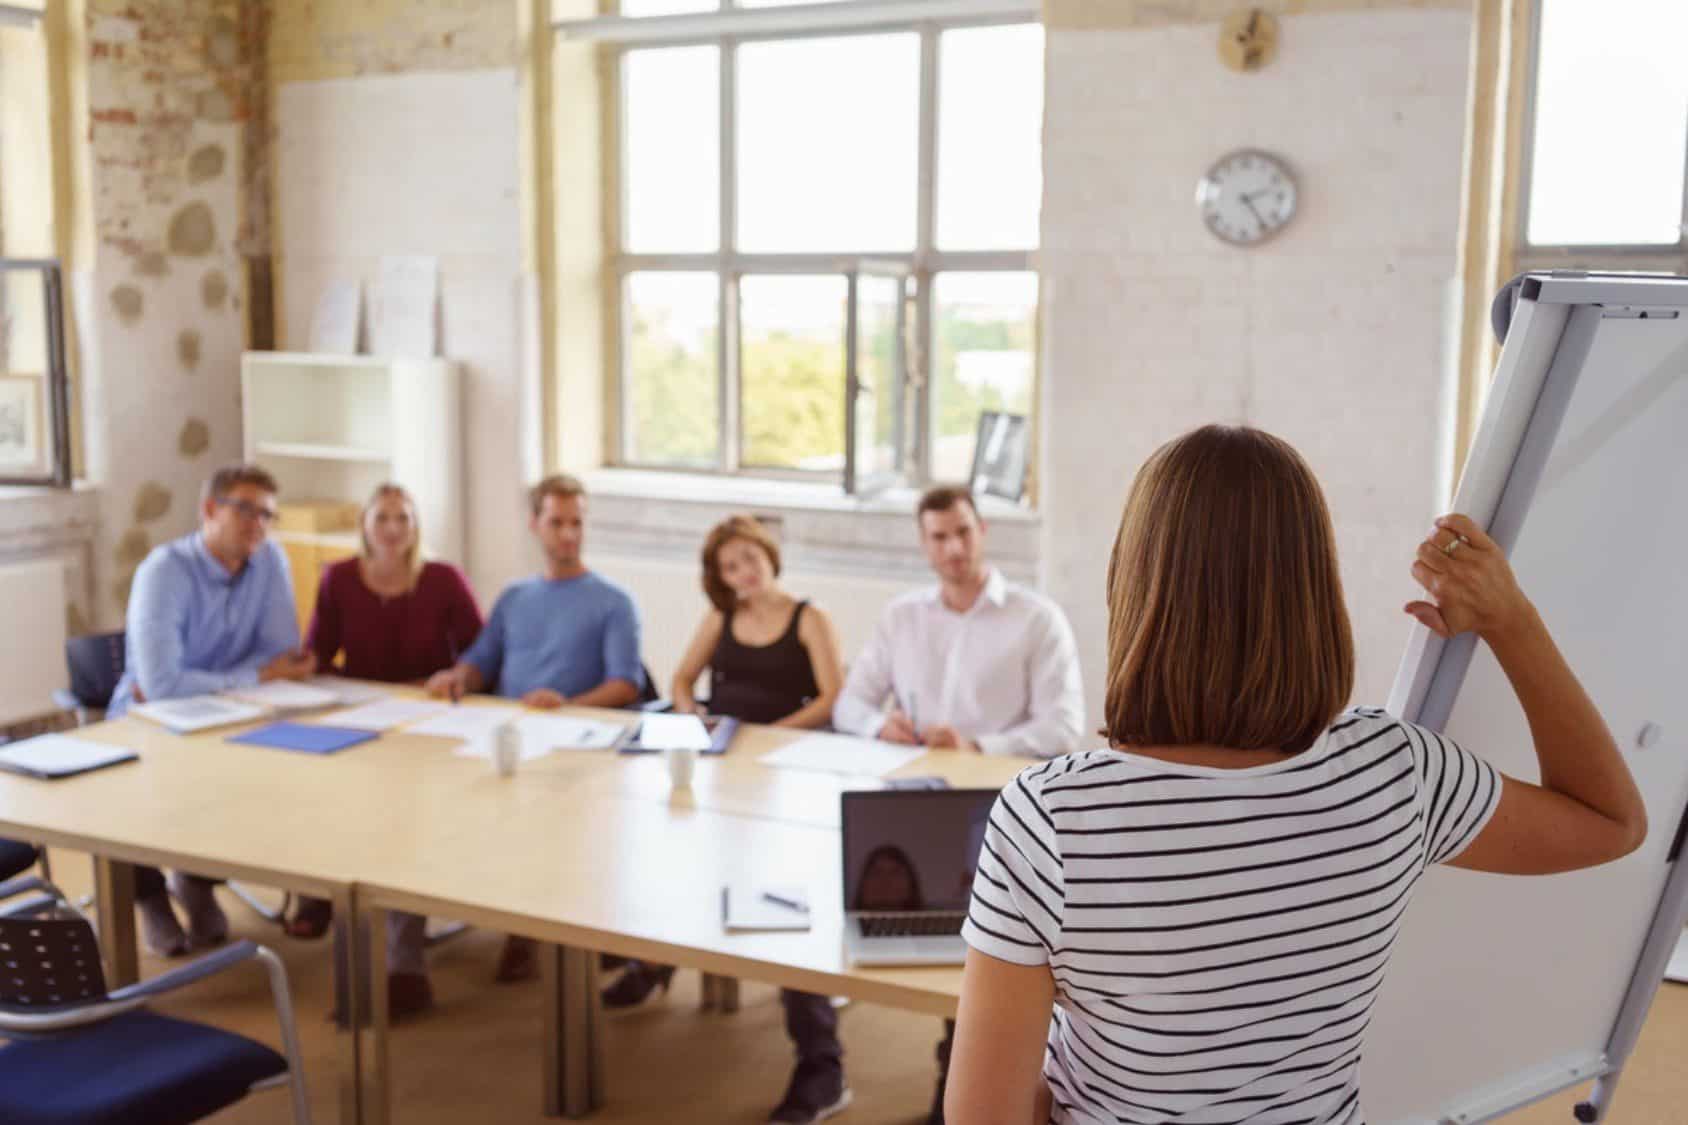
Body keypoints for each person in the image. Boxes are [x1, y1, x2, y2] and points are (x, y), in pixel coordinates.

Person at [946, 425, 1648, 1125]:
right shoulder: (1395, 773)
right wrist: (1511, 620)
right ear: (1313, 586)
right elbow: (1612, 820)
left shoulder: (1050, 818)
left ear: (1132, 582)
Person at [765, 486, 1085, 1125]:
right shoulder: (902, 616)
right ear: (924, 543)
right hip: (897, 805)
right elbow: (852, 703)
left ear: (982, 531)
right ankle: (821, 1066)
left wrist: (975, 742)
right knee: (814, 910)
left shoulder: (1035, 617)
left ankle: (950, 1093)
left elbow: (1065, 727)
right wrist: (879, 726)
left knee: (975, 952)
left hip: (989, 815)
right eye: (939, 537)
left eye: (963, 532)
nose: (954, 549)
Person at [602, 514, 845, 1009]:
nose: (744, 572)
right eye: (731, 567)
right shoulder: (721, 617)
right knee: (669, 843)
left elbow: (831, 699)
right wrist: (691, 714)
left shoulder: (809, 617)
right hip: (719, 754)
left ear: (768, 556)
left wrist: (767, 737)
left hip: (783, 762)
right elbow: (682, 680)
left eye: (750, 559)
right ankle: (654, 958)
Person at [424, 473, 644, 981]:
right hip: (502, 734)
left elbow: (624, 684)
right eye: (557, 522)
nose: (568, 534)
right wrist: (457, 676)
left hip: (573, 744)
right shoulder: (515, 596)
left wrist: (565, 703)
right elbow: (481, 660)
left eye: (577, 523)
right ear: (535, 525)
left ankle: (533, 926)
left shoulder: (613, 601)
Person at [284, 482, 484, 1019]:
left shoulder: (442, 579)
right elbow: (320, 652)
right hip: (358, 714)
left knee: (405, 830)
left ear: (416, 526)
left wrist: (458, 673)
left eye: (404, 518)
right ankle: (325, 899)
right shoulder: (339, 578)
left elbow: (481, 651)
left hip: (426, 718)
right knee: (335, 811)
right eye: (383, 518)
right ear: (365, 525)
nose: (394, 528)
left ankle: (404, 965)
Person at [108, 464, 317, 958]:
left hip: (235, 714)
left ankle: (195, 883)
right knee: (125, 800)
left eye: (267, 514)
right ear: (209, 510)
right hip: (148, 723)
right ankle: (152, 897)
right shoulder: (164, 571)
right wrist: (255, 677)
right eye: (245, 510)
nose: (258, 525)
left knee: (270, 784)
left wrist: (249, 677)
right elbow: (161, 685)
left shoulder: (269, 562)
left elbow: (280, 654)